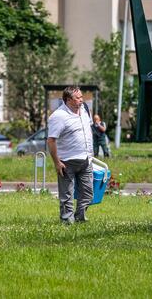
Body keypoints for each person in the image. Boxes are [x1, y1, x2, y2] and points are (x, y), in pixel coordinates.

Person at [47, 86, 94, 224]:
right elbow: (51, 140)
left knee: (87, 193)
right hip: (67, 161)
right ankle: (67, 221)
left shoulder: (84, 109)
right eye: (78, 98)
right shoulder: (58, 116)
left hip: (86, 159)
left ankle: (80, 218)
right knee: (67, 195)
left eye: (81, 96)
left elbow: (87, 130)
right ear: (68, 100)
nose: (81, 100)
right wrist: (57, 162)